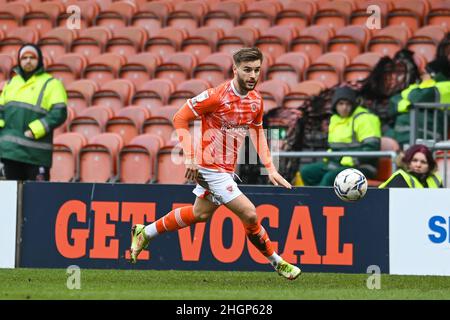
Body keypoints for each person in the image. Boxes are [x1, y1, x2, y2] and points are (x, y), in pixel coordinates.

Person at [129, 47, 301, 280]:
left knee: (200, 214)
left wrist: (270, 167)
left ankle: (145, 232)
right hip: (208, 167)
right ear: (235, 69)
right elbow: (179, 117)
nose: (252, 75)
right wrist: (189, 156)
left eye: (257, 70)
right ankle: (278, 262)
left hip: (226, 170)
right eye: (247, 70)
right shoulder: (216, 96)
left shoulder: (255, 101)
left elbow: (258, 133)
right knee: (250, 215)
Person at [0, 43, 67, 181]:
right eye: (24, 58)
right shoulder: (12, 83)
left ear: (39, 60)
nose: (28, 60)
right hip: (9, 153)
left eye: (32, 57)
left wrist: (36, 129)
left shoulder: (52, 84)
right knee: (11, 199)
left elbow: (59, 112)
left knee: (37, 198)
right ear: (19, 61)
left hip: (36, 154)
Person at [300, 86, 381, 186]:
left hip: (362, 166)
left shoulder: (365, 118)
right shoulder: (335, 119)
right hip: (337, 164)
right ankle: (315, 199)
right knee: (307, 172)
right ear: (335, 105)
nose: (344, 107)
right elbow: (335, 147)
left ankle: (320, 200)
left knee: (329, 178)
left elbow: (372, 148)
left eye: (348, 104)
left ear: (353, 104)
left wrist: (353, 158)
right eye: (341, 104)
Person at [385, 57, 450, 148]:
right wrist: (409, 106)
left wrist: (407, 102)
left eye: (424, 73)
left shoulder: (447, 87)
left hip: (427, 137)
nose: (421, 76)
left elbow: (417, 97)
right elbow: (393, 103)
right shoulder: (421, 87)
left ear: (434, 74)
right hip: (402, 137)